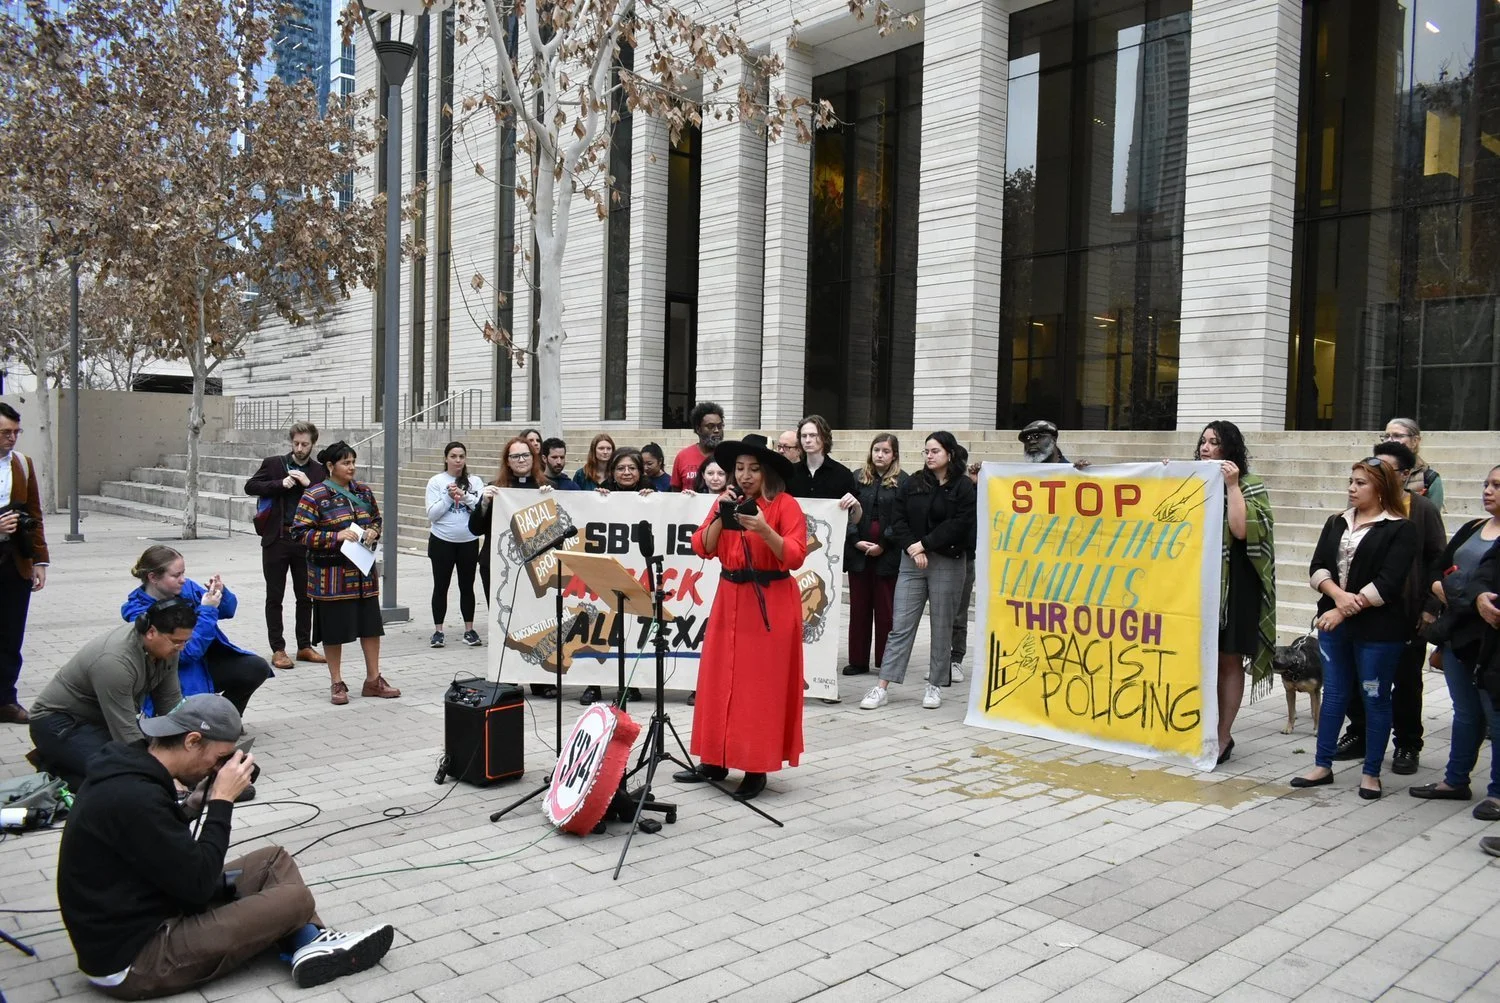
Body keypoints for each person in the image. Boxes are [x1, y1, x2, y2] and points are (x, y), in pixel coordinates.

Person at [57, 693, 395, 997]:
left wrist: (192, 805)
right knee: (295, 899)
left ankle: (307, 944)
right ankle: (306, 939)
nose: (217, 768)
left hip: (151, 906)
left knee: (272, 860)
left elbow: (153, 843)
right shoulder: (135, 796)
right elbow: (198, 887)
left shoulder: (132, 766)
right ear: (192, 740)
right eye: (219, 757)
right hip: (136, 957)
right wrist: (221, 801)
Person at [675, 434, 807, 801]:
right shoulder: (727, 502)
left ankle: (755, 766)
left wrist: (763, 528)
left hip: (770, 602)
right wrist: (720, 512)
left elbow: (794, 556)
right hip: (729, 597)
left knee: (759, 688)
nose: (746, 475)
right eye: (740, 468)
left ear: (766, 473)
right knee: (719, 681)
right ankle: (714, 761)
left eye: (754, 469)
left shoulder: (785, 506)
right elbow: (702, 545)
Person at [1293, 458, 1418, 800]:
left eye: (1361, 483)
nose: (1351, 487)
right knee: (1334, 694)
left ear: (1381, 488)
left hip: (1379, 630)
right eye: (1351, 481)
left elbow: (1389, 583)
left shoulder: (1400, 528)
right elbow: (1317, 567)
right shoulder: (1336, 522)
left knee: (1374, 696)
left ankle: (1371, 773)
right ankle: (1322, 765)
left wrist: (1344, 611)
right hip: (1334, 621)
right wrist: (1336, 598)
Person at [1333, 440, 1445, 773]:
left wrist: (1428, 608)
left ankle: (1408, 744)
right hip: (1358, 609)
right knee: (1355, 677)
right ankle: (1362, 733)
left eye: (1385, 469)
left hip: (1406, 613)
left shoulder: (1421, 510)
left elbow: (1438, 559)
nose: (1374, 475)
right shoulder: (1357, 509)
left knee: (1406, 681)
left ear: (1406, 474)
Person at [859, 432, 977, 711]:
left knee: (941, 625)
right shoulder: (913, 482)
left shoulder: (962, 487)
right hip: (911, 561)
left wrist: (924, 544)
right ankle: (882, 685)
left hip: (947, 561)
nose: (929, 456)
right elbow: (897, 519)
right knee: (900, 625)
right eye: (926, 451)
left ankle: (935, 685)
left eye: (935, 451)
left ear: (949, 453)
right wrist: (913, 547)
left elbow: (959, 524)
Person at [28, 599, 195, 792]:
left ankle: (69, 760)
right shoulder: (114, 662)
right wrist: (164, 776)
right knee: (122, 777)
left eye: (185, 641)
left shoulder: (167, 649)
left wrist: (187, 748)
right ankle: (54, 767)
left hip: (101, 721)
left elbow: (170, 704)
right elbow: (127, 734)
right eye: (177, 642)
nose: (181, 648)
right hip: (59, 723)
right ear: (151, 632)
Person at [1410, 466, 1500, 817]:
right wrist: (1441, 589)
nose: (1488, 490)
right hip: (1458, 637)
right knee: (1465, 713)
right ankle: (1455, 780)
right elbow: (1439, 567)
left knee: (1495, 717)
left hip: (1490, 643)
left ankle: (1496, 792)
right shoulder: (1473, 528)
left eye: (1497, 485)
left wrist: (1468, 596)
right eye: (1486, 483)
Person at [290, 441, 399, 706]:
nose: (351, 467)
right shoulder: (315, 495)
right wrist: (334, 536)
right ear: (330, 466)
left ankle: (373, 679)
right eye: (345, 463)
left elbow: (375, 519)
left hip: (362, 575)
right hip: (331, 577)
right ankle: (337, 682)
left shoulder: (363, 492)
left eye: (353, 462)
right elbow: (299, 532)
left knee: (371, 628)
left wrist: (374, 531)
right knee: (334, 630)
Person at [1194, 421, 1276, 765]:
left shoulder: (1250, 485)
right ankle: (1199, 727)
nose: (1205, 447)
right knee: (1200, 658)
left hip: (1236, 584)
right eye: (1203, 441)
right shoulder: (1191, 481)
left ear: (1230, 449)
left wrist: (1231, 486)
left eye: (1214, 442)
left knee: (1228, 660)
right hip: (1199, 580)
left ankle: (1223, 735)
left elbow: (1242, 530)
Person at [121, 547, 272, 715]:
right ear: (153, 577)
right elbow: (185, 654)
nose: (183, 580)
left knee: (256, 667)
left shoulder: (186, 588)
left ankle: (228, 717)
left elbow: (227, 611)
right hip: (175, 676)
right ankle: (208, 721)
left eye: (183, 573)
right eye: (176, 575)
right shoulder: (140, 612)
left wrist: (220, 593)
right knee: (190, 724)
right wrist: (207, 611)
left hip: (203, 663)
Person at [474, 437, 557, 699]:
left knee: (537, 621)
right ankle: (507, 676)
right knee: (505, 621)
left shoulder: (546, 487)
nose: (521, 461)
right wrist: (484, 504)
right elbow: (474, 529)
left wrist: (552, 499)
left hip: (535, 568)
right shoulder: (495, 489)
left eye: (525, 456)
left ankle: (540, 680)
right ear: (507, 462)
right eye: (515, 457)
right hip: (499, 568)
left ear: (534, 459)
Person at [245, 421, 327, 672]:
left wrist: (307, 485)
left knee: (305, 596)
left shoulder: (318, 471)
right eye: (296, 443)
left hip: (304, 541)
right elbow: (250, 486)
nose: (300, 448)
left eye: (305, 444)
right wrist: (280, 484)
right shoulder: (274, 464)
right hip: (276, 539)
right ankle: (278, 649)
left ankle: (304, 645)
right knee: (275, 595)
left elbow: (326, 500)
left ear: (313, 444)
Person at [0, 401, 48, 725]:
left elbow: (35, 514)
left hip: (15, 562)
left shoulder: (23, 464)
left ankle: (6, 699)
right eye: (5, 432)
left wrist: (40, 561)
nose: (12, 438)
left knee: (10, 635)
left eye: (16, 432)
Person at [844, 434, 907, 678]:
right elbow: (845, 512)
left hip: (887, 555)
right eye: (876, 450)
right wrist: (854, 539)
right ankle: (858, 660)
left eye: (885, 451)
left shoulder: (903, 481)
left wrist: (883, 543)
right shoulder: (857, 477)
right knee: (858, 609)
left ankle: (885, 660)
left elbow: (902, 517)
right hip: (859, 554)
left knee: (885, 610)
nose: (879, 455)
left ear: (894, 455)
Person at [425, 441, 485, 649]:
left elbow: (482, 507)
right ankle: (438, 631)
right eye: (453, 456)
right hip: (442, 541)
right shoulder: (436, 481)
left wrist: (465, 496)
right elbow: (432, 515)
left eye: (461, 456)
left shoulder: (475, 481)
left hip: (468, 540)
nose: (458, 460)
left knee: (467, 586)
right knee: (441, 586)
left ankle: (469, 630)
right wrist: (449, 498)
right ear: (446, 458)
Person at [1382, 417, 1443, 510]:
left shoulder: (1429, 478)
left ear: (1414, 441)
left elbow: (1431, 519)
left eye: (1397, 436)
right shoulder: (1371, 471)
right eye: (1386, 436)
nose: (1390, 440)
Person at [670, 401, 724, 492]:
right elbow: (675, 491)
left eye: (720, 426)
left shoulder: (727, 455)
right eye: (710, 426)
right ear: (698, 429)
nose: (716, 430)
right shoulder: (683, 456)